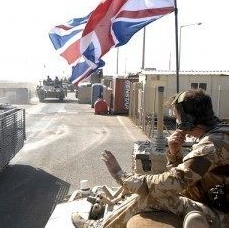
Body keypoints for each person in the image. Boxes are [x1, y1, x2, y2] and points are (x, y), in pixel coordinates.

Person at [72, 89, 229, 228]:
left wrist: (122, 177)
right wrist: (174, 153)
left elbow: (172, 183)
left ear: (188, 120)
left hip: (222, 216)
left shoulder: (212, 145)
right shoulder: (218, 134)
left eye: (177, 117)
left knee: (150, 199)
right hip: (214, 203)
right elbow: (189, 179)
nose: (177, 121)